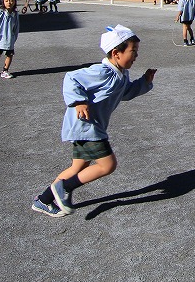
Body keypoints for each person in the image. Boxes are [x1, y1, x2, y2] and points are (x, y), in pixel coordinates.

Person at [31, 24, 156, 217]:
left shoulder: (121, 75)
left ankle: (43, 200)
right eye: (133, 51)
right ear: (116, 53)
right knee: (108, 165)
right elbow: (71, 78)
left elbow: (126, 93)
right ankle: (64, 188)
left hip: (89, 126)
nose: (136, 55)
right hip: (86, 125)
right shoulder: (103, 72)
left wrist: (144, 82)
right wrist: (79, 101)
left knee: (77, 167)